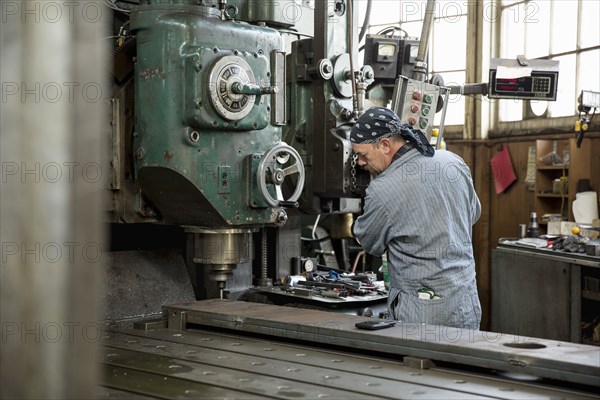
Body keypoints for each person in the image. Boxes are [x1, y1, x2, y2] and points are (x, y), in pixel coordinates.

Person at [351, 107, 482, 329]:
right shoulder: (452, 162)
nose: (360, 163)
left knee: (418, 364)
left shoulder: (382, 190)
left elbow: (369, 242)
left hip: (423, 312)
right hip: (465, 301)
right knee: (463, 363)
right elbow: (473, 214)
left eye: (363, 155)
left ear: (385, 145)